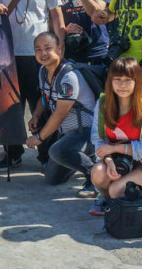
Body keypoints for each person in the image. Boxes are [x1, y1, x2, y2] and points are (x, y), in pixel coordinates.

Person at [0, 0, 65, 171]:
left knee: (42, 104)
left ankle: (46, 154)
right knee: (10, 108)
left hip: (40, 55)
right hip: (9, 55)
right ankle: (12, 153)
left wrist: (61, 48)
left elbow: (56, 16)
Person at [89, 58, 142, 216]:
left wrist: (115, 148)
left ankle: (141, 199)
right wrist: (109, 160)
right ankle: (106, 199)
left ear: (137, 81)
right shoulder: (103, 103)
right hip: (116, 160)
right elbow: (97, 138)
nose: (122, 85)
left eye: (128, 80)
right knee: (98, 172)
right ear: (110, 81)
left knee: (116, 189)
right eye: (117, 79)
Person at [26, 32, 97, 196]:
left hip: (86, 132)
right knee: (52, 178)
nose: (43, 53)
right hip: (67, 134)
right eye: (38, 49)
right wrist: (36, 115)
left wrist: (39, 138)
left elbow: (59, 115)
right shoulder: (43, 71)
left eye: (48, 48)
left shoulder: (69, 77)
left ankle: (96, 175)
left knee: (57, 152)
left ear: (60, 49)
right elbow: (44, 97)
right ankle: (85, 157)